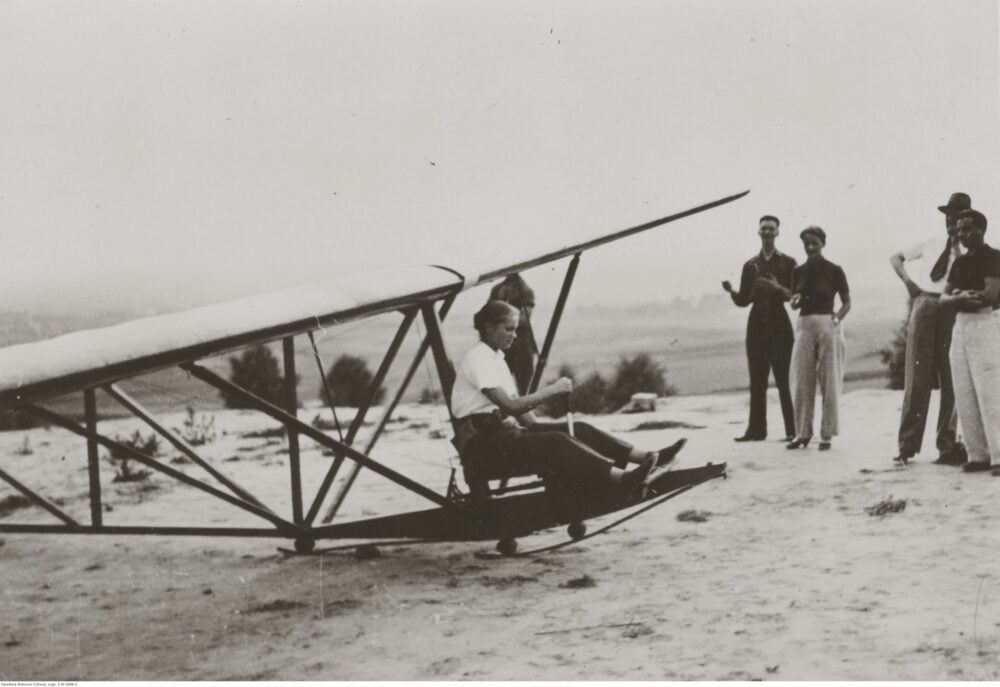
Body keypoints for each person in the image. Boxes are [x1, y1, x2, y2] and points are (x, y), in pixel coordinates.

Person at [451, 300, 685, 498]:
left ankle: (647, 457)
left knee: (579, 429)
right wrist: (552, 390)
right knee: (557, 442)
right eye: (508, 329)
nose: (514, 335)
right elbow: (511, 405)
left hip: (501, 435)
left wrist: (540, 427)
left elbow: (522, 415)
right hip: (482, 448)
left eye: (515, 329)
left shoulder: (496, 359)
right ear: (489, 328)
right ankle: (622, 479)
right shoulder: (477, 359)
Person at [888, 192, 969, 465]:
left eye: (957, 217)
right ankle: (906, 446)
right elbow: (896, 258)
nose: (951, 222)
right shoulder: (932, 243)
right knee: (917, 376)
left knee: (951, 378)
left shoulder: (971, 251)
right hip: (925, 304)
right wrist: (910, 284)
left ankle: (947, 444)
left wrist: (959, 252)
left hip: (952, 308)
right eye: (948, 216)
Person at [722, 215, 797, 442]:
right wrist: (732, 292)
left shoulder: (788, 263)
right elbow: (745, 300)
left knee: (785, 380)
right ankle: (756, 431)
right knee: (757, 380)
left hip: (779, 324)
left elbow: (794, 297)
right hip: (756, 326)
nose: (767, 233)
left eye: (771, 229)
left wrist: (775, 288)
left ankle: (792, 431)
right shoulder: (750, 265)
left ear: (777, 232)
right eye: (763, 229)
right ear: (758, 232)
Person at [939, 209, 1000, 475]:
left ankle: (999, 455)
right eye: (960, 230)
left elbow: (988, 296)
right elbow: (943, 298)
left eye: (968, 229)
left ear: (981, 230)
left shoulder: (993, 257)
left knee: (990, 390)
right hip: (961, 326)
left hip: (984, 324)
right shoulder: (959, 263)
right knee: (964, 390)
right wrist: (960, 298)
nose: (963, 234)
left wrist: (958, 297)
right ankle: (978, 454)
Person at [787, 226, 851, 451]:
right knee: (802, 379)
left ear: (823, 243)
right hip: (804, 325)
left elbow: (846, 302)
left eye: (814, 243)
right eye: (806, 243)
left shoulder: (834, 270)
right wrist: (794, 301)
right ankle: (802, 433)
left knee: (829, 378)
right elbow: (795, 299)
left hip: (827, 324)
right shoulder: (799, 271)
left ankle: (826, 434)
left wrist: (836, 319)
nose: (810, 247)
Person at [489, 273, 538, 395]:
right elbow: (487, 314)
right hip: (502, 345)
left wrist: (500, 320)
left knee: (525, 389)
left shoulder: (525, 291)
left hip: (521, 343)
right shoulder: (497, 289)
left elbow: (524, 320)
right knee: (498, 385)